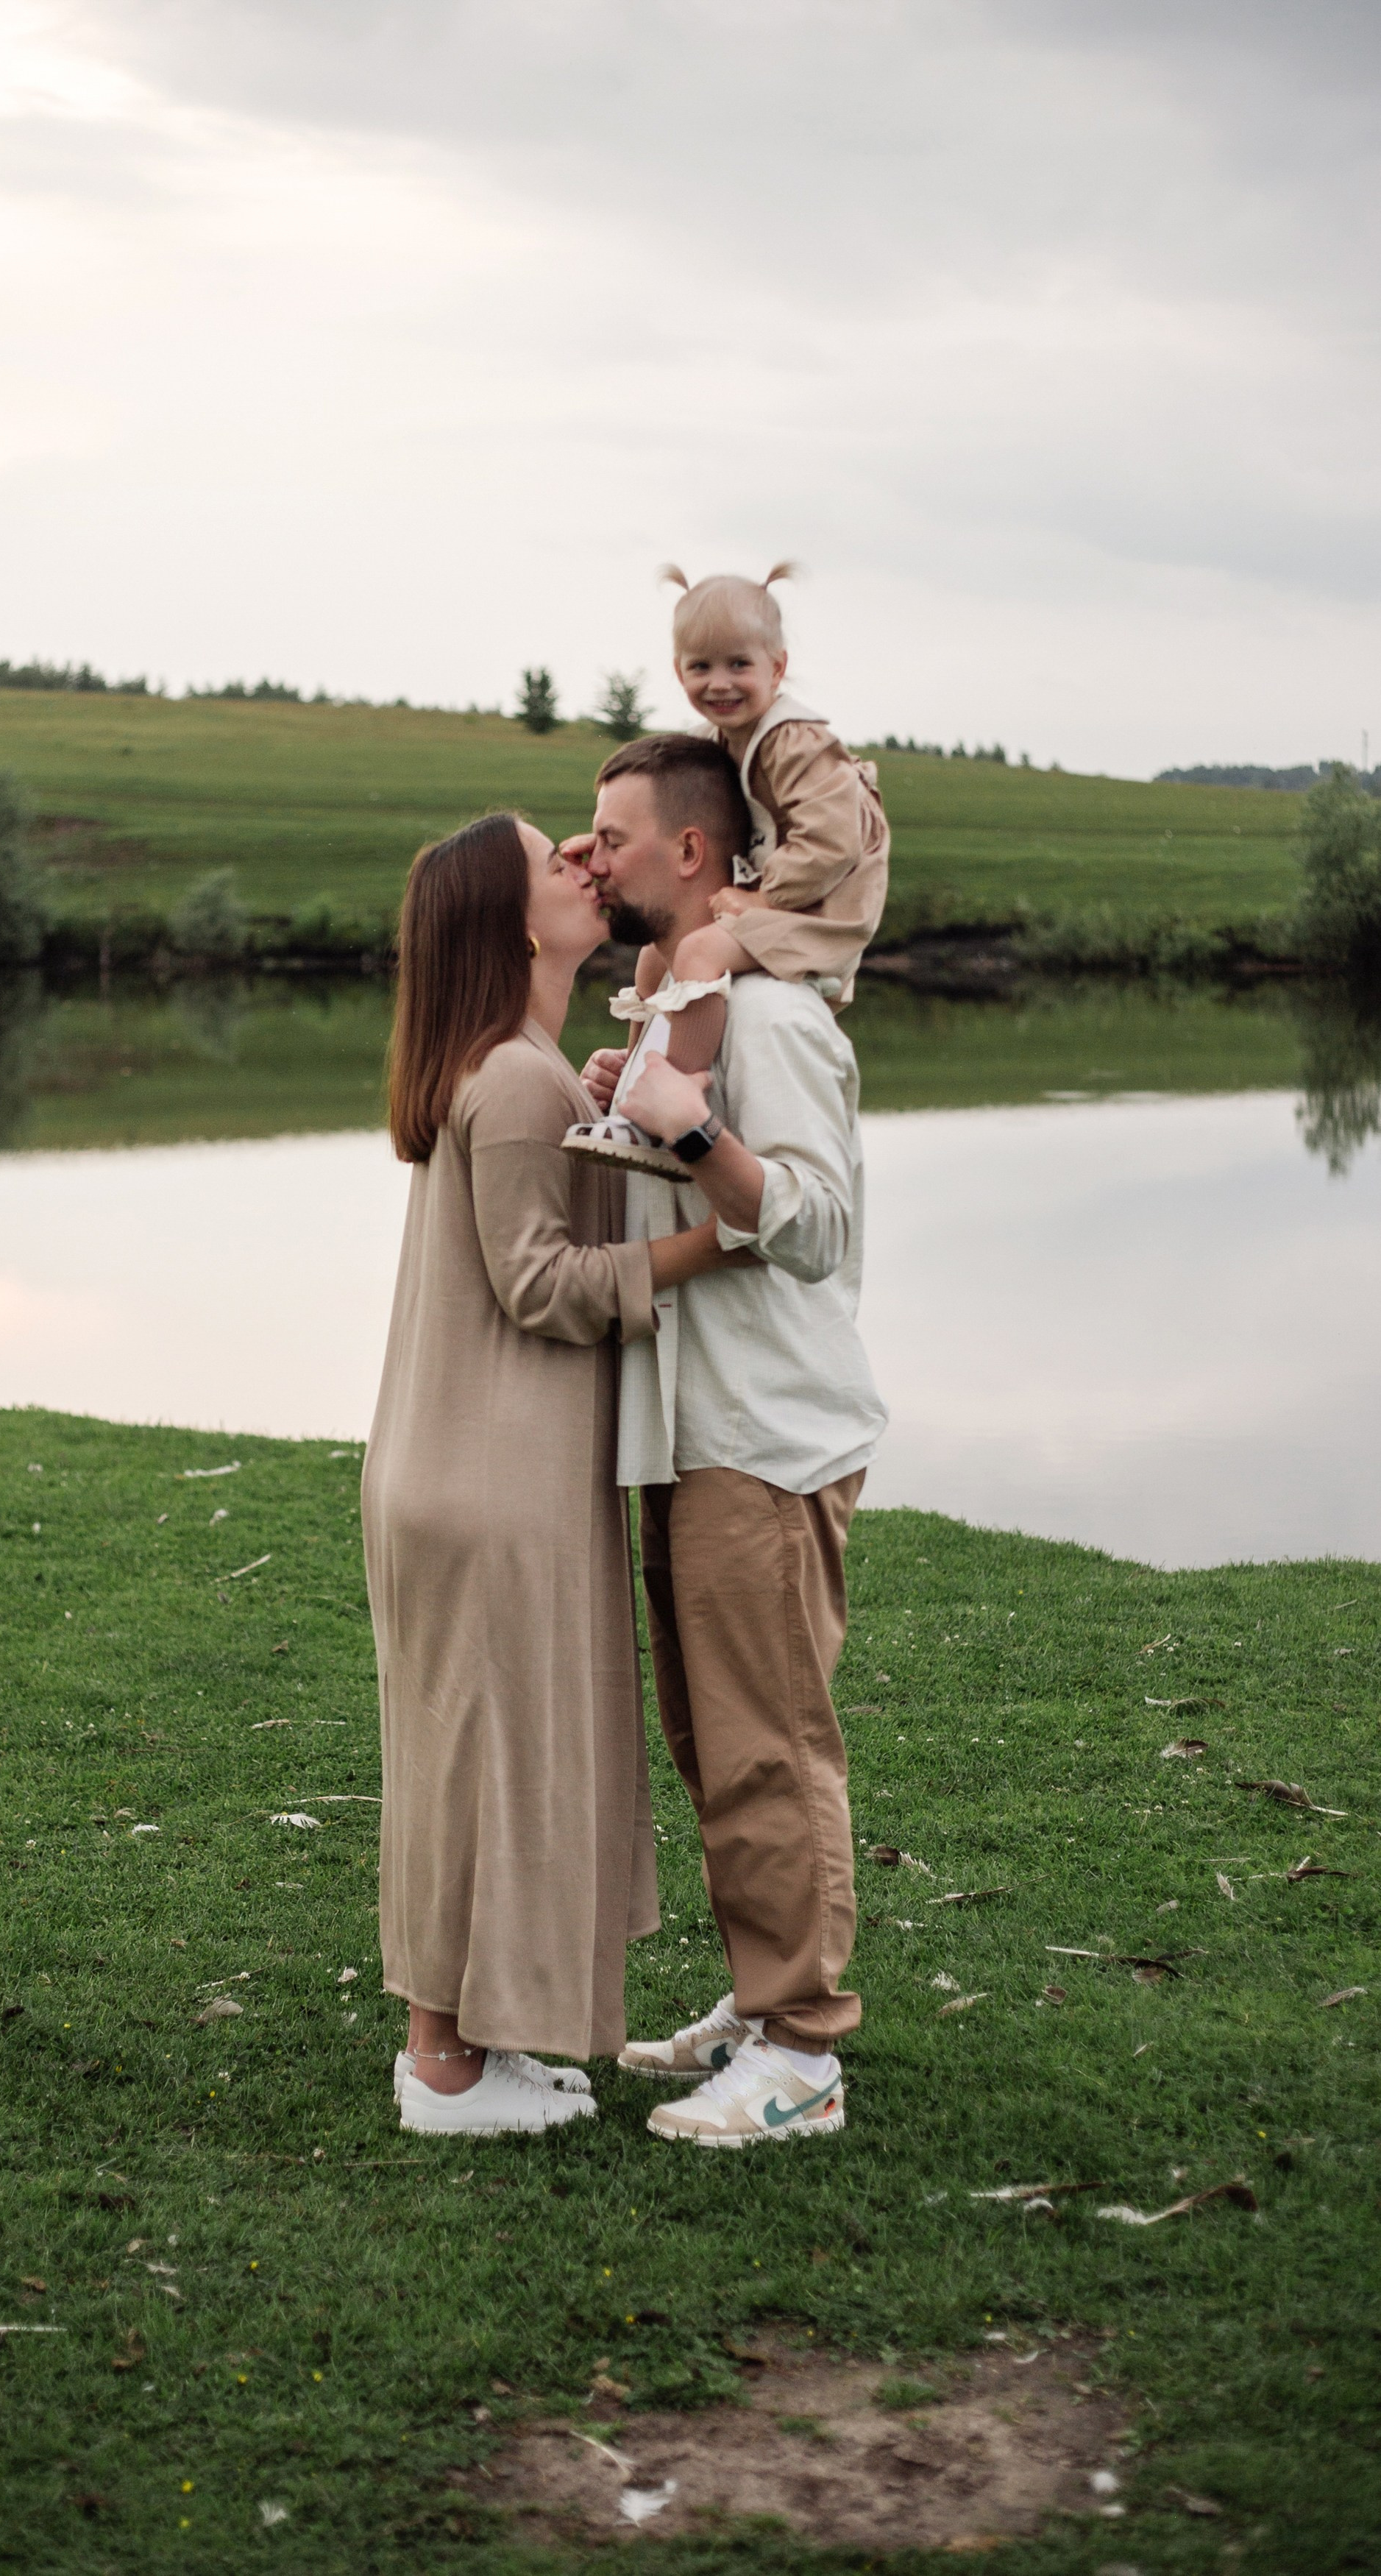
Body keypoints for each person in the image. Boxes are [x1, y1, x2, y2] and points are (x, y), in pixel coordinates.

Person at [362, 810, 749, 2139]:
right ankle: (444, 2070)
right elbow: (538, 1285)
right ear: (518, 925)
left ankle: (470, 2048)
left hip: (460, 1463)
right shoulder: (515, 1081)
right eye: (557, 860)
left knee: (471, 1755)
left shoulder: (516, 1068)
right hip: (492, 1477)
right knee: (484, 1765)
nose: (587, 865)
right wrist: (713, 1240)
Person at [574, 734, 889, 2148]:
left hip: (765, 1441)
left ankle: (804, 2053)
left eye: (612, 836)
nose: (594, 859)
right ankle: (760, 2003)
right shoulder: (682, 1003)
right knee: (714, 1743)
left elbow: (815, 1227)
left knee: (770, 1746)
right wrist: (621, 1106)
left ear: (691, 853)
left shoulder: (766, 1022)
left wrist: (693, 1135)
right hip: (689, 1432)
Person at [564, 562, 889, 1183]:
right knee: (653, 961)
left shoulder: (796, 741)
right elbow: (674, 799)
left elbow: (834, 843)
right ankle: (638, 1091)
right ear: (678, 670)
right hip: (777, 890)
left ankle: (674, 1102)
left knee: (701, 951)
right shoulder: (718, 736)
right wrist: (607, 844)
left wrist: (758, 896)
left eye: (739, 665)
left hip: (822, 901)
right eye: (701, 667)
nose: (720, 683)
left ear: (778, 667)